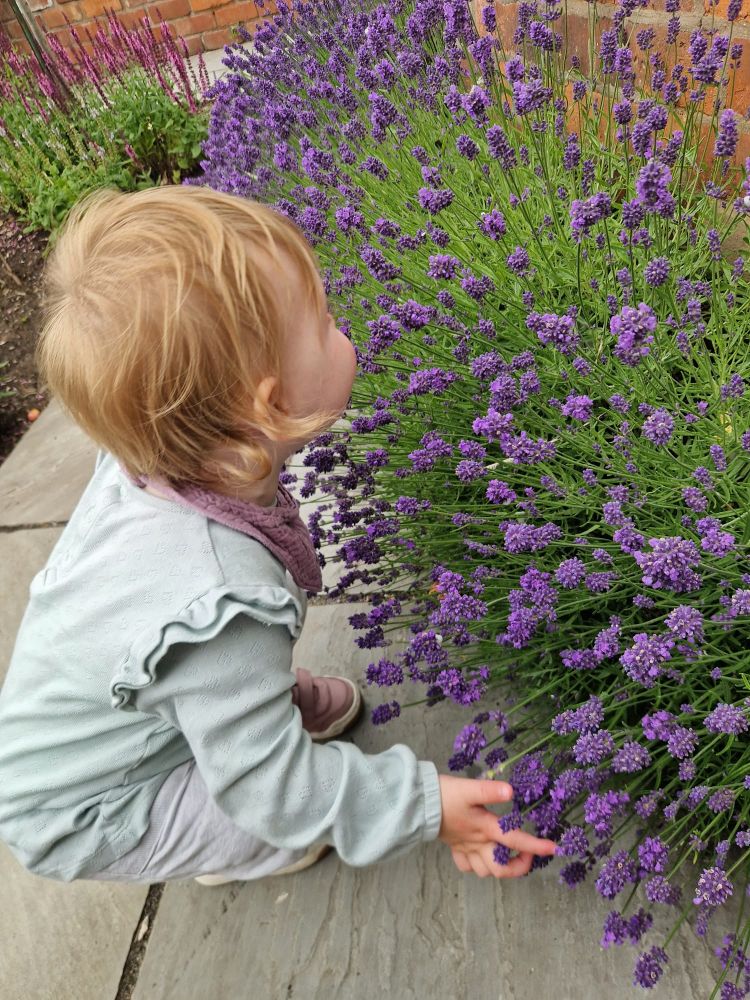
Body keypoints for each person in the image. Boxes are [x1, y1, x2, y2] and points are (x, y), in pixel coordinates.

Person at [0, 186, 556, 886]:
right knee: (269, 814)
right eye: (324, 320)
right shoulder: (216, 600)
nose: (339, 323)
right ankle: (233, 829)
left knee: (217, 673)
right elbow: (281, 791)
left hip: (99, 706)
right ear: (272, 404)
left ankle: (237, 706)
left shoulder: (157, 455)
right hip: (91, 813)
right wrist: (422, 806)